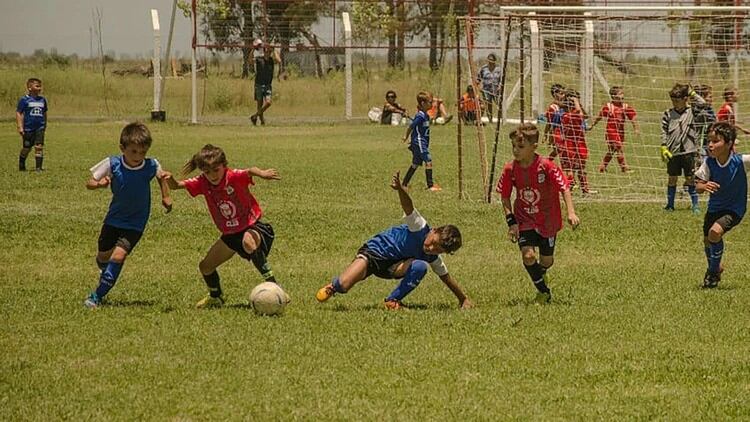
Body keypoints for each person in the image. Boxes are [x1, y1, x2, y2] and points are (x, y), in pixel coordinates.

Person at [315, 172, 472, 310]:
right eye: (433, 242)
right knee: (343, 285)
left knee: (420, 266)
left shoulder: (432, 258)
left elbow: (446, 278)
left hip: (393, 267)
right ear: (434, 230)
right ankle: (333, 287)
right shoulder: (420, 226)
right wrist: (400, 190)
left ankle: (392, 300)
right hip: (373, 254)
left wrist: (463, 299)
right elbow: (409, 206)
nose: (430, 248)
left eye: (438, 249)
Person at [163, 144, 283, 308]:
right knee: (205, 267)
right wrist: (168, 178)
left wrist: (262, 173)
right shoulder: (202, 182)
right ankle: (216, 296)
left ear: (224, 165)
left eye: (216, 170)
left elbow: (250, 170)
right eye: (207, 171)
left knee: (248, 242)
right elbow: (176, 186)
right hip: (230, 234)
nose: (212, 175)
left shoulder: (232, 176)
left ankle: (276, 287)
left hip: (251, 225)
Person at [83, 122, 173, 308]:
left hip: (136, 223)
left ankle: (96, 296)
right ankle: (104, 270)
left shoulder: (151, 164)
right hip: (114, 219)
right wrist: (99, 184)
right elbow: (90, 182)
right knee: (103, 256)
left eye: (142, 152)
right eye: (133, 152)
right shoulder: (112, 163)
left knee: (118, 257)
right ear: (122, 148)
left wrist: (166, 196)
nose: (138, 157)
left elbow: (161, 176)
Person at [497, 123, 580, 304]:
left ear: (534, 146)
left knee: (547, 261)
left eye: (520, 147)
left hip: (548, 219)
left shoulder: (547, 166)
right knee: (528, 256)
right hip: (524, 219)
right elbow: (504, 197)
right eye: (513, 147)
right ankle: (544, 292)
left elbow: (564, 188)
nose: (516, 151)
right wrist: (512, 222)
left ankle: (540, 274)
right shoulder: (510, 169)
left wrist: (571, 213)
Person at [694, 122, 750, 288]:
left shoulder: (741, 161)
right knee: (707, 241)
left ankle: (712, 274)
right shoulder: (709, 163)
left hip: (734, 209)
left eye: (715, 141)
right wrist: (704, 186)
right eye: (709, 141)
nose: (710, 145)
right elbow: (697, 187)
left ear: (729, 143)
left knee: (714, 233)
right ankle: (716, 267)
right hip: (714, 209)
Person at [659, 83, 705, 213]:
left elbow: (703, 103)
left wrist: (691, 93)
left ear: (685, 99)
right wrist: (663, 146)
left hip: (689, 151)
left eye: (677, 101)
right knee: (672, 178)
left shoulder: (692, 111)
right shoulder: (668, 113)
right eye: (672, 100)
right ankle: (670, 205)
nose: (674, 103)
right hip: (672, 152)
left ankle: (695, 205)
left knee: (690, 178)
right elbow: (664, 130)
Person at [587, 86, 639, 173]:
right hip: (611, 132)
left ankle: (602, 166)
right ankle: (624, 168)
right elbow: (599, 117)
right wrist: (592, 125)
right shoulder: (608, 106)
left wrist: (636, 128)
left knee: (612, 150)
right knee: (619, 148)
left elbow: (632, 117)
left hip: (621, 132)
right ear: (614, 96)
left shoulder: (625, 107)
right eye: (620, 94)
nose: (623, 96)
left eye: (623, 93)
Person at [401, 91, 441, 191]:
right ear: (423, 103)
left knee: (415, 164)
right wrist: (406, 137)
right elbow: (411, 126)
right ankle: (430, 186)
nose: (432, 104)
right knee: (428, 161)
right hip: (419, 142)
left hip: (421, 142)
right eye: (430, 102)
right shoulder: (420, 116)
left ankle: (404, 184)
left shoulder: (425, 115)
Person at [560, 90, 594, 194]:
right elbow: (580, 113)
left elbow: (586, 116)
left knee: (581, 167)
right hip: (571, 144)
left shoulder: (570, 114)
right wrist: (576, 101)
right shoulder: (567, 116)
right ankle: (569, 187)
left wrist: (579, 104)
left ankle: (584, 188)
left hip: (579, 143)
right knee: (570, 168)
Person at [16, 78, 48, 172]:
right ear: (30, 87)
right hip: (28, 128)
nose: (39, 88)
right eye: (37, 86)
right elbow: (19, 113)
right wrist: (20, 126)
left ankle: (38, 168)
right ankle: (21, 164)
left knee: (39, 146)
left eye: (40, 86)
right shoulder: (24, 100)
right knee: (27, 148)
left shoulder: (42, 100)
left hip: (39, 127)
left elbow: (44, 112)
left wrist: (45, 124)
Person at [249, 40, 281, 126]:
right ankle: (261, 121)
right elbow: (250, 61)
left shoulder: (271, 60)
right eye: (267, 50)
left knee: (268, 103)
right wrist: (253, 49)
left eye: (269, 51)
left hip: (267, 85)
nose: (268, 52)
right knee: (259, 104)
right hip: (258, 84)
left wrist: (274, 49)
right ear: (264, 51)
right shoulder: (259, 59)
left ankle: (254, 116)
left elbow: (279, 61)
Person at [544, 83, 566, 162]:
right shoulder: (553, 107)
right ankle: (547, 162)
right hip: (557, 133)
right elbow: (549, 123)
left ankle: (547, 162)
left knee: (561, 152)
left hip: (566, 133)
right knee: (560, 151)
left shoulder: (566, 106)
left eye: (564, 93)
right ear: (555, 94)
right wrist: (545, 134)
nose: (564, 96)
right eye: (561, 93)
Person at [477, 53, 503, 121]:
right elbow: (478, 78)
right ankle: (490, 119)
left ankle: (501, 119)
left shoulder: (498, 69)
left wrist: (500, 85)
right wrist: (479, 86)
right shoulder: (483, 68)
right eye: (489, 60)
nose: (490, 62)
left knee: (499, 103)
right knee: (488, 104)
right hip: (486, 89)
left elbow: (501, 79)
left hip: (496, 89)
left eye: (492, 60)